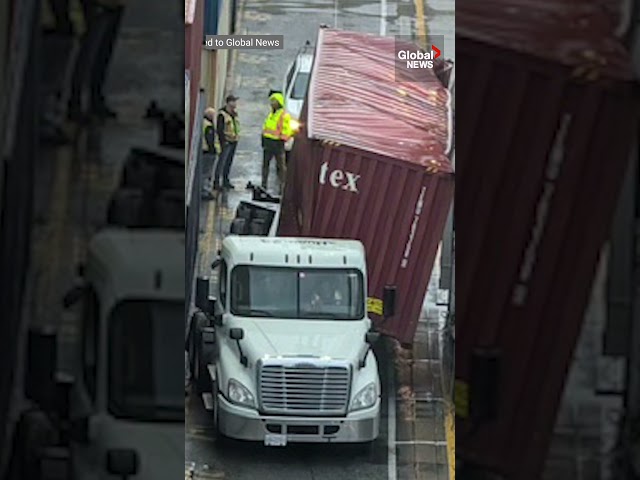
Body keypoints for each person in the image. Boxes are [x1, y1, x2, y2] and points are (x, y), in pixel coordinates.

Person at [68, 0, 125, 120]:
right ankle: (76, 102)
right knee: (89, 53)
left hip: (115, 5)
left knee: (101, 54)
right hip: (98, 5)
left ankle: (93, 99)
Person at [261, 92, 292, 192]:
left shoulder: (283, 115)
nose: (271, 103)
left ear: (278, 103)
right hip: (268, 143)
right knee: (265, 165)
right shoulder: (271, 114)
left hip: (277, 144)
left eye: (273, 101)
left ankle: (282, 187)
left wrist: (282, 139)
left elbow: (287, 130)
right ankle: (264, 184)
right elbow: (266, 128)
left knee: (281, 167)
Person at [213, 95, 240, 191]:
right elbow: (220, 129)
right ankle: (216, 182)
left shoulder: (234, 114)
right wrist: (222, 142)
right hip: (226, 142)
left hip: (233, 141)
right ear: (229, 102)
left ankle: (225, 180)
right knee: (221, 162)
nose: (235, 104)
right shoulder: (222, 114)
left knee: (228, 162)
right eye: (234, 101)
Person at [201, 107, 217, 199]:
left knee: (204, 172)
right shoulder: (208, 126)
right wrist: (213, 150)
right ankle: (205, 191)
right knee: (207, 173)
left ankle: (204, 190)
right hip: (208, 151)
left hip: (203, 151)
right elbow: (210, 140)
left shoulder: (203, 123)